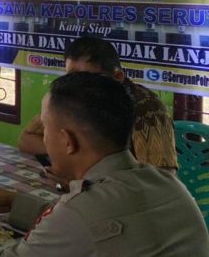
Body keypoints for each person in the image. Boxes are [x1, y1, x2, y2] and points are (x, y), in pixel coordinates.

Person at [0, 72, 208, 256]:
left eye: (46, 128)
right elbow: (89, 226)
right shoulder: (169, 185)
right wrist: (16, 203)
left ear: (67, 141)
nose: (43, 137)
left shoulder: (81, 210)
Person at [18, 36, 178, 173]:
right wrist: (71, 153)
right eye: (71, 77)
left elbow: (163, 178)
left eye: (89, 80)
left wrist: (87, 170)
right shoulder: (69, 98)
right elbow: (27, 140)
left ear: (117, 77)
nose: (78, 87)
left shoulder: (147, 109)